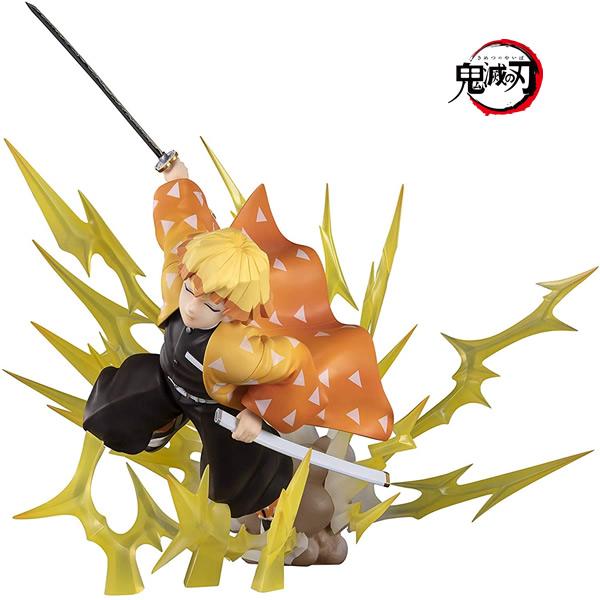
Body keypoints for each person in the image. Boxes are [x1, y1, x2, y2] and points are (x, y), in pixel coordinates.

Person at [83, 157, 394, 524]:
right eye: (191, 290)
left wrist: (258, 413)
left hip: (215, 405)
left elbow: (295, 364)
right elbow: (184, 226)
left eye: (212, 304)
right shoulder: (181, 273)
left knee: (237, 476)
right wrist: (176, 182)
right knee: (112, 407)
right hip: (166, 377)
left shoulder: (239, 349)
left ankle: (269, 497)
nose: (192, 307)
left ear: (233, 310)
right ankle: (162, 423)